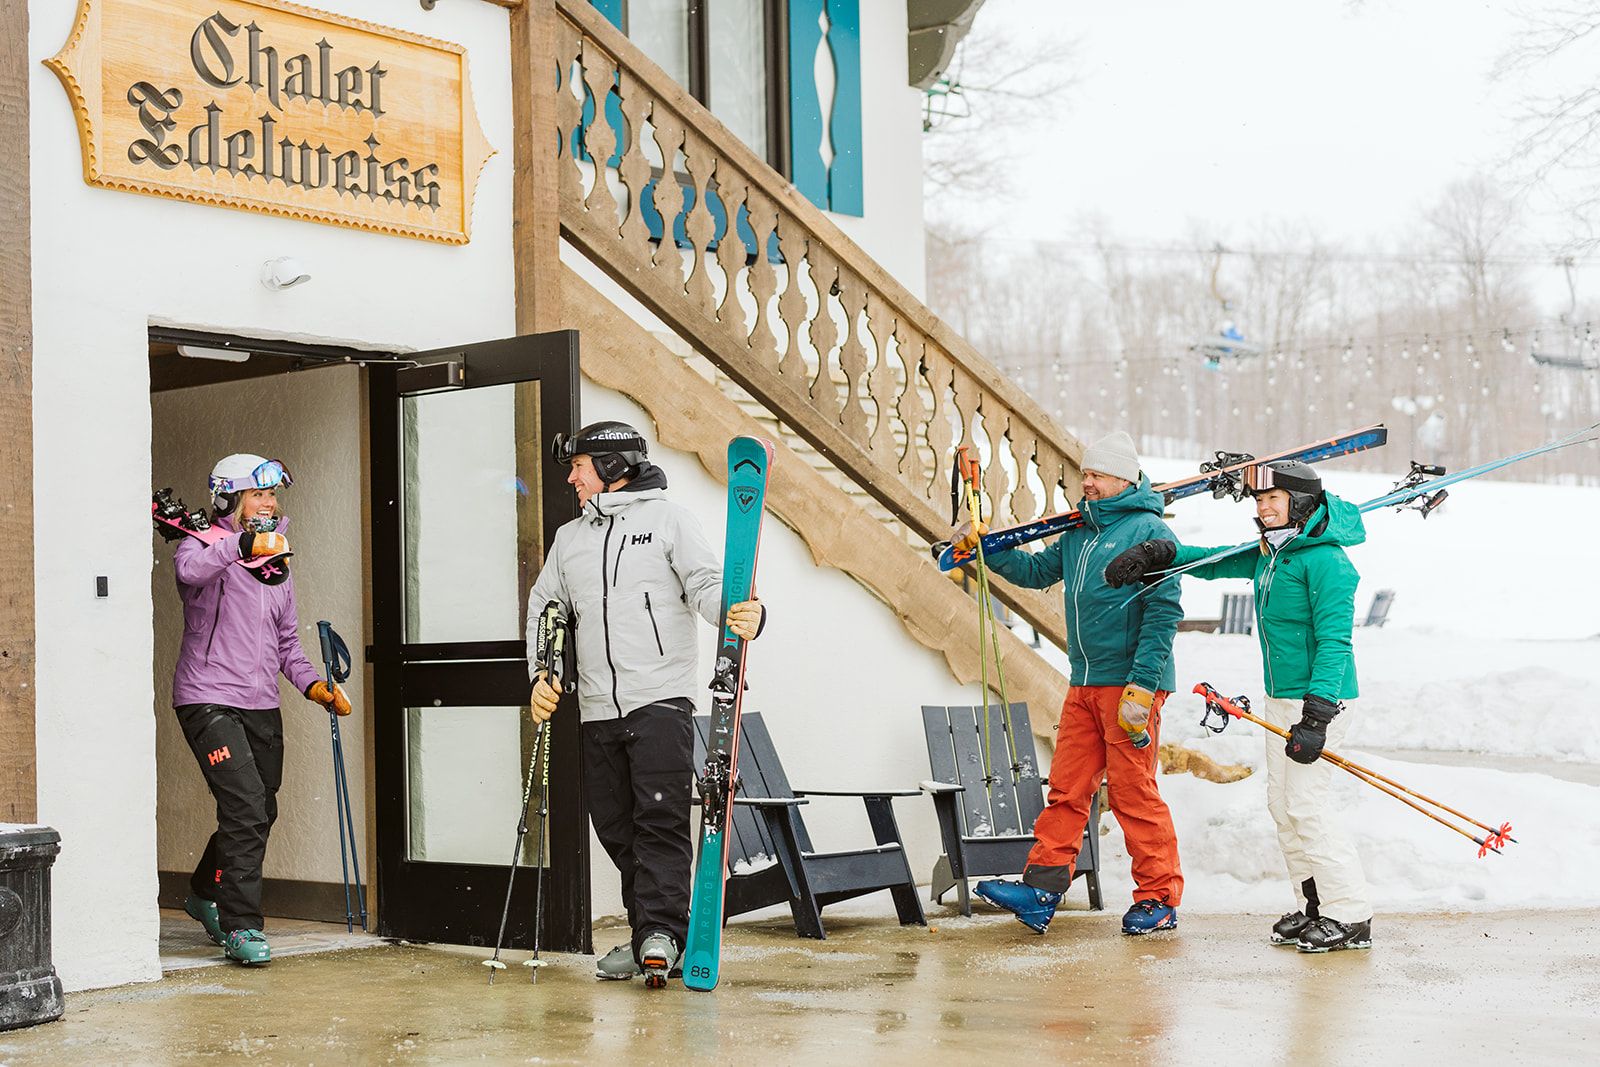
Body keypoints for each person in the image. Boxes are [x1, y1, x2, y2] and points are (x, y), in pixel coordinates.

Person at [526, 422, 764, 988]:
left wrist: (740, 609)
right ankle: (653, 935)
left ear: (612, 466)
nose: (572, 477)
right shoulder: (570, 539)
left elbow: (709, 583)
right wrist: (542, 673)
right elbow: (546, 608)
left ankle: (658, 932)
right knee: (613, 823)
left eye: (579, 465)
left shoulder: (668, 521)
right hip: (597, 706)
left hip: (659, 698)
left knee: (658, 819)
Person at [1105, 459, 1373, 952]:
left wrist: (1317, 715)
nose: (1264, 508)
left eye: (1274, 499)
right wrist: (1161, 553)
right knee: (1281, 805)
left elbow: (1336, 643)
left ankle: (1351, 913)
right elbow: (1212, 560)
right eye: (1259, 501)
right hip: (1281, 699)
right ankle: (1313, 905)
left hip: (1322, 700)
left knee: (1306, 806)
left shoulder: (1329, 562)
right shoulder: (1273, 553)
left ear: (1302, 502)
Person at [963, 431, 1185, 936]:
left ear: (1125, 478)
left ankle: (1159, 897)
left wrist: (1142, 686)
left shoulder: (1150, 533)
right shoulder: (1079, 532)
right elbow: (1035, 569)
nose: (1087, 482)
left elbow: (1163, 614)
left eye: (1098, 475)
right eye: (1085, 474)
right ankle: (1041, 889)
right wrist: (987, 547)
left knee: (1133, 793)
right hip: (1084, 679)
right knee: (1067, 789)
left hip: (1129, 685)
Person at [169, 454, 350, 966]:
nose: (269, 503)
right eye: (257, 494)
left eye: (272, 496)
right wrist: (239, 545)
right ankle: (241, 926)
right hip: (208, 698)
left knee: (258, 809)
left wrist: (314, 685)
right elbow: (190, 571)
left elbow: (287, 640)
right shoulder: (202, 544)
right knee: (246, 807)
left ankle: (205, 891)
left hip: (261, 703)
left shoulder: (277, 566)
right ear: (230, 499)